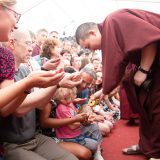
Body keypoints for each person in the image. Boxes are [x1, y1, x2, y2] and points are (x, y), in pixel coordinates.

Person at [75, 9, 160, 160]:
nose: (91, 50)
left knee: (156, 109)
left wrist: (143, 69)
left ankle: (157, 152)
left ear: (92, 33)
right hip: (152, 66)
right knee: (145, 107)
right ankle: (147, 146)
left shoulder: (114, 20)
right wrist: (105, 90)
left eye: (87, 46)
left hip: (154, 65)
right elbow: (120, 64)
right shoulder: (111, 33)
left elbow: (150, 39)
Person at [0, 28, 79, 160]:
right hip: (12, 144)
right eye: (28, 43)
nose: (31, 49)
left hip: (34, 137)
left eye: (31, 44)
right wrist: (57, 83)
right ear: (12, 43)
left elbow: (41, 104)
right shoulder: (4, 75)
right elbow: (19, 109)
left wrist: (57, 82)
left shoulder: (25, 70)